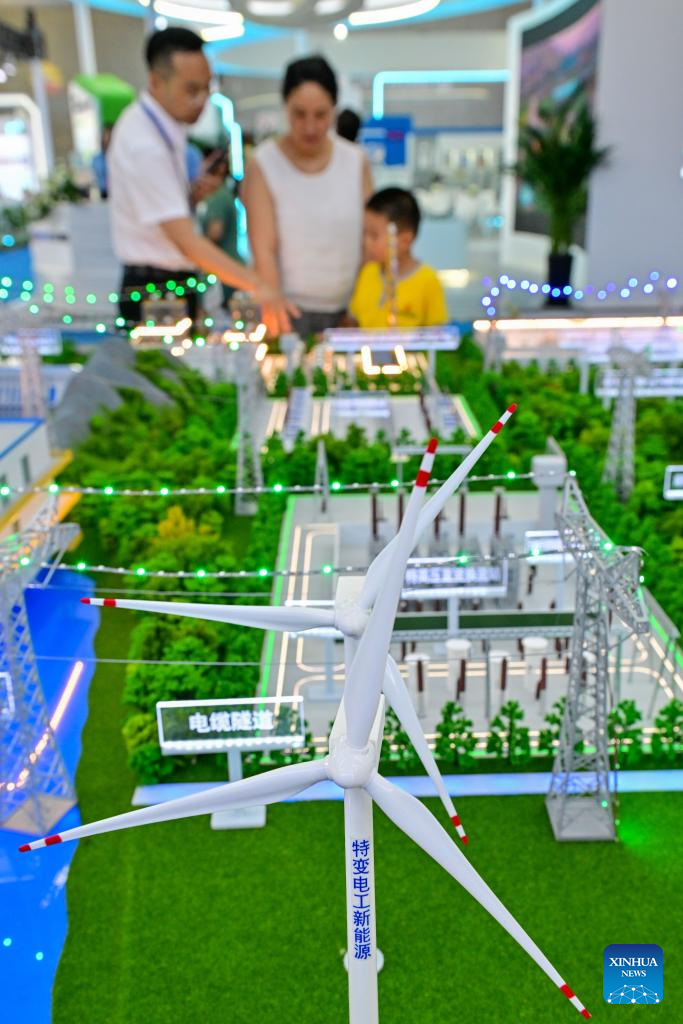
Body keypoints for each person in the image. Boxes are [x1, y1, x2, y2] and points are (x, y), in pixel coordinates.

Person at [107, 27, 294, 333]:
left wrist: (190, 197)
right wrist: (258, 284)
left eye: (207, 88)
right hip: (155, 291)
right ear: (156, 81)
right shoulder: (143, 142)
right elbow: (185, 240)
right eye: (191, 90)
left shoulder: (164, 127)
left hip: (171, 283)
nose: (202, 101)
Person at [243, 55, 373, 339]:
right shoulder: (264, 163)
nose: (310, 127)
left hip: (349, 312)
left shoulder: (355, 161)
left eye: (321, 114)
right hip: (288, 312)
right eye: (299, 114)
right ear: (285, 108)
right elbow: (263, 247)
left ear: (334, 109)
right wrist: (277, 313)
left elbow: (370, 240)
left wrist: (359, 307)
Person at [349, 187, 448, 329]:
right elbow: (354, 322)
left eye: (374, 236)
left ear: (405, 240)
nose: (366, 242)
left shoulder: (428, 281)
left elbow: (437, 332)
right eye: (364, 233)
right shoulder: (368, 272)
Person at [200, 169, 242, 310]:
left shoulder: (218, 197)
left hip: (223, 269)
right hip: (229, 266)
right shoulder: (225, 195)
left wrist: (193, 246)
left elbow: (215, 232)